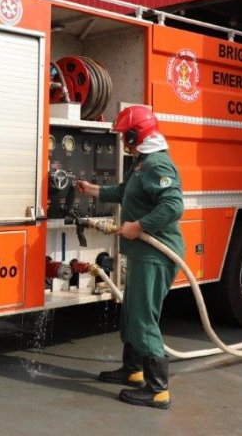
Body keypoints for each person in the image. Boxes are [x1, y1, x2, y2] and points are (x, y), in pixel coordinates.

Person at [76, 105, 184, 410]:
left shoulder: (158, 165)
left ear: (138, 135)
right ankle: (133, 370)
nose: (124, 140)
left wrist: (139, 226)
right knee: (131, 312)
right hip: (142, 253)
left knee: (141, 316)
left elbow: (173, 206)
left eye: (126, 135)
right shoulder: (142, 164)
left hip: (156, 253)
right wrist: (93, 190)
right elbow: (125, 191)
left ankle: (158, 389)